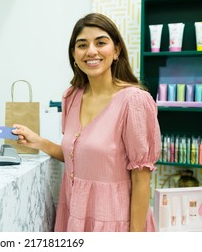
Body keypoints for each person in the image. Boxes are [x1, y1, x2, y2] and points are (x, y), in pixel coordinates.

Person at [13, 13, 161, 232]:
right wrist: (38, 142)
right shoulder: (71, 97)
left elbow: (141, 178)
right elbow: (81, 157)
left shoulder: (134, 101)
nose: (91, 51)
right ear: (74, 54)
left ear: (116, 50)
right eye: (82, 45)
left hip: (115, 221)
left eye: (101, 42)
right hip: (74, 215)